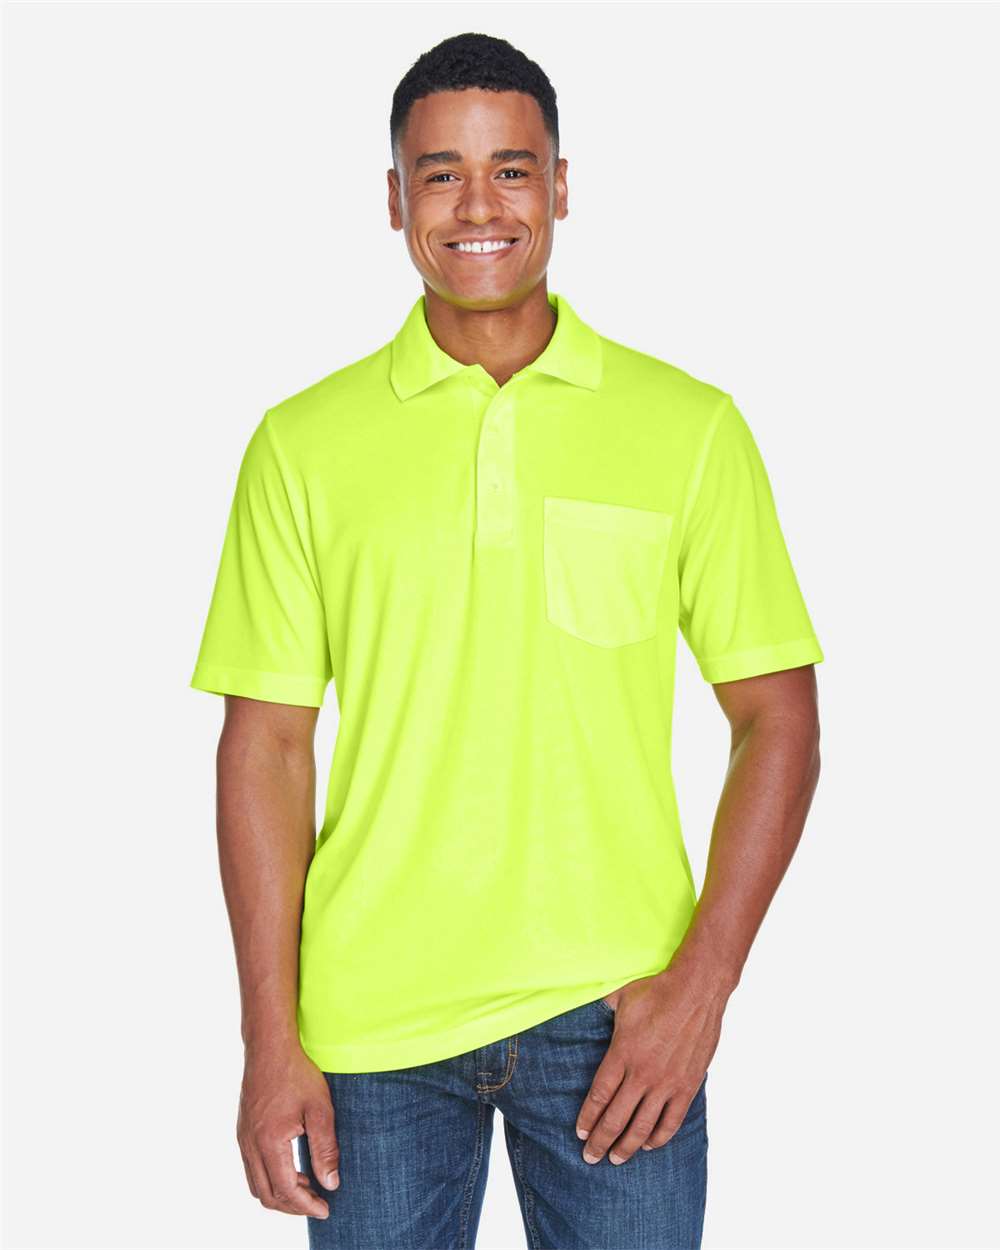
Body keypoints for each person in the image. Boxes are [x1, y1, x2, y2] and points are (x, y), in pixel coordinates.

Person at [189, 31, 824, 1250]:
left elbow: (776, 721)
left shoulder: (689, 427)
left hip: (618, 1015)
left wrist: (701, 986)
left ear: (562, 186)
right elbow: (264, 747)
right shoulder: (300, 444)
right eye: (440, 174)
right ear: (394, 200)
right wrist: (271, 1038)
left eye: (511, 170)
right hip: (369, 1025)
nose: (478, 206)